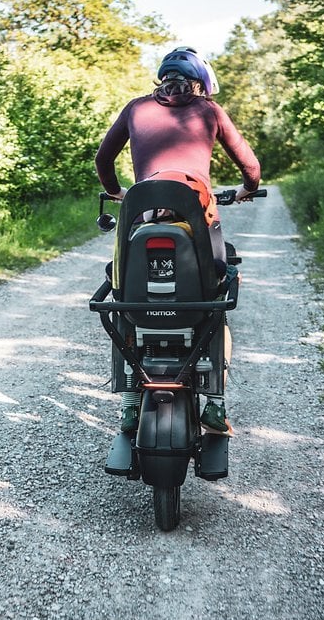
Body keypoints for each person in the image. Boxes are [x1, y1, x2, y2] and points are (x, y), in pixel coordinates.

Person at [94, 46, 261, 437]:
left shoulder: (136, 108)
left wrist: (118, 191)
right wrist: (246, 190)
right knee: (216, 299)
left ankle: (131, 405)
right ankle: (215, 407)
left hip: (141, 220)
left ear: (161, 77)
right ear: (203, 83)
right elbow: (250, 167)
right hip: (197, 221)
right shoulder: (210, 111)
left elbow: (104, 159)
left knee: (125, 297)